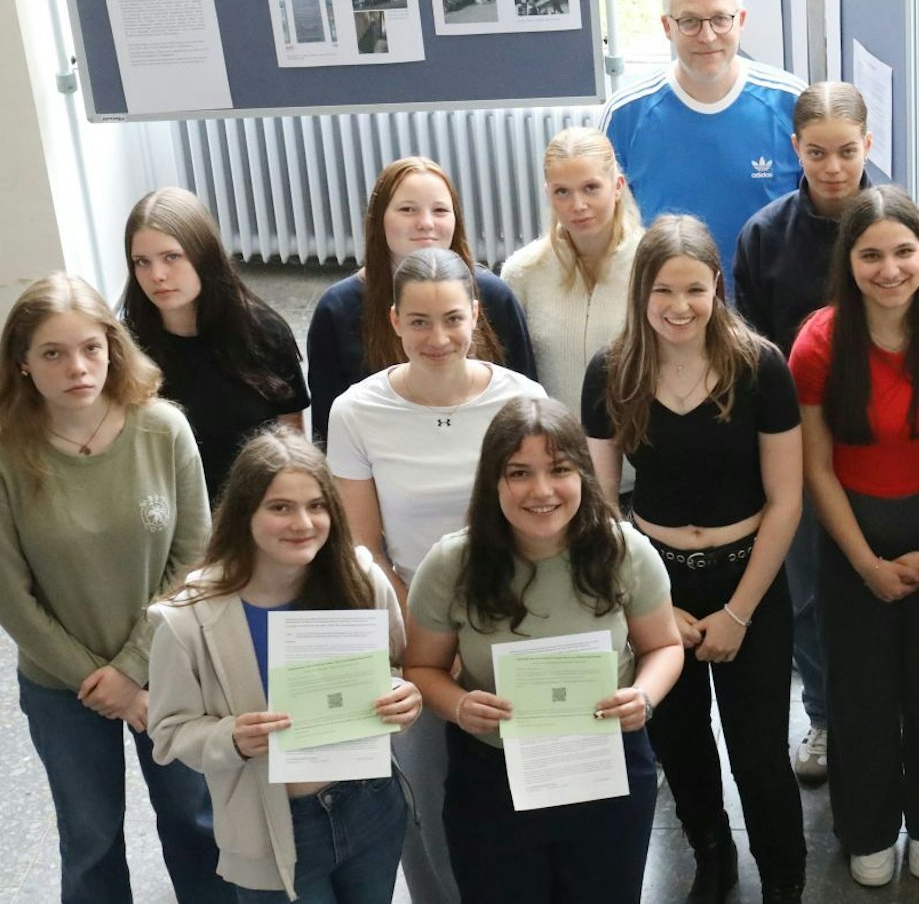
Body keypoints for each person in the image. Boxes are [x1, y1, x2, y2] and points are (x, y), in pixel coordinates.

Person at [583, 215, 807, 904]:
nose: (679, 307)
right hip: (656, 581)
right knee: (678, 741)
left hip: (750, 575)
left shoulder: (760, 365)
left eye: (694, 289)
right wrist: (649, 603)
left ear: (717, 287)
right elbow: (598, 503)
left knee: (761, 752)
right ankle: (712, 852)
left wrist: (738, 611)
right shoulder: (612, 370)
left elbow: (787, 498)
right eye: (663, 291)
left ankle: (783, 874)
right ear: (640, 292)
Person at [324, 247, 547, 904]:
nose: (438, 337)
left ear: (476, 315)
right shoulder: (355, 411)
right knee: (426, 794)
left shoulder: (522, 399)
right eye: (419, 321)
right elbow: (363, 546)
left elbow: (547, 518)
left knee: (525, 781)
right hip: (413, 624)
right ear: (393, 321)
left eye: (453, 318)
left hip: (516, 616)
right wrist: (428, 638)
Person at [0, 273, 229, 904]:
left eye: (91, 348)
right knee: (91, 837)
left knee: (196, 823)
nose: (77, 367)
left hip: (170, 668)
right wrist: (101, 683)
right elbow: (11, 596)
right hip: (58, 682)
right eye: (52, 353)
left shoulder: (163, 430)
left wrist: (132, 671)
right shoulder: (6, 452)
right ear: (22, 363)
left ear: (112, 347)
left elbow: (193, 561)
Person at [403, 397, 685, 903]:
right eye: (518, 473)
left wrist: (643, 697)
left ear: (583, 474)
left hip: (605, 767)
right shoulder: (451, 563)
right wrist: (459, 704)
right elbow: (421, 666)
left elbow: (664, 646)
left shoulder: (625, 550)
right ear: (493, 482)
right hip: (493, 777)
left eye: (558, 469)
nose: (541, 490)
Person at [790, 187, 919, 885]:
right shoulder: (818, 339)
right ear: (848, 261)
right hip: (852, 539)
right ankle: (868, 825)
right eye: (870, 254)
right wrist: (866, 562)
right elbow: (816, 466)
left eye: (903, 251)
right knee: (862, 692)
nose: (889, 268)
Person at [148, 428, 423, 903]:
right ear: (244, 515)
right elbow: (170, 732)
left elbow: (396, 669)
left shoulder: (361, 582)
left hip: (369, 805)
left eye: (316, 506)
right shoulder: (188, 618)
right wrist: (230, 737)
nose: (303, 522)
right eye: (280, 507)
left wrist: (404, 697)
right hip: (269, 822)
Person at [732, 81, 882, 784]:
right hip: (794, 437)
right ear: (795, 148)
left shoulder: (891, 220)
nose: (832, 167)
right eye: (817, 152)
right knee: (807, 588)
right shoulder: (764, 234)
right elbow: (748, 351)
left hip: (881, 438)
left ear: (868, 146)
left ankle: (893, 711)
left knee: (880, 571)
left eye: (846, 151)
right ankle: (825, 713)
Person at [601, 0, 806, 278]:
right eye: (690, 21)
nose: (707, 36)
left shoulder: (790, 103)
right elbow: (605, 232)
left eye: (720, 19)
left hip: (768, 317)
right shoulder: (625, 115)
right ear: (667, 26)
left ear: (741, 20)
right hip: (668, 314)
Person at [307, 155, 535, 443]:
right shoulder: (337, 309)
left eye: (440, 210)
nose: (425, 223)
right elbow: (329, 433)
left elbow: (529, 406)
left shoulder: (493, 295)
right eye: (407, 209)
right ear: (379, 219)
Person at [121, 187, 310, 500]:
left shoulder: (264, 332)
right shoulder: (126, 345)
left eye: (171, 257)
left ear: (203, 255)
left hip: (253, 504)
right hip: (168, 506)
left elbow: (291, 437)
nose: (157, 275)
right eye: (142, 262)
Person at [501, 126, 643, 418]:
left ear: (617, 186)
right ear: (547, 193)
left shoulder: (652, 265)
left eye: (591, 188)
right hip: (554, 452)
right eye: (562, 192)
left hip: (638, 449)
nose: (578, 205)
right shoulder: (522, 273)